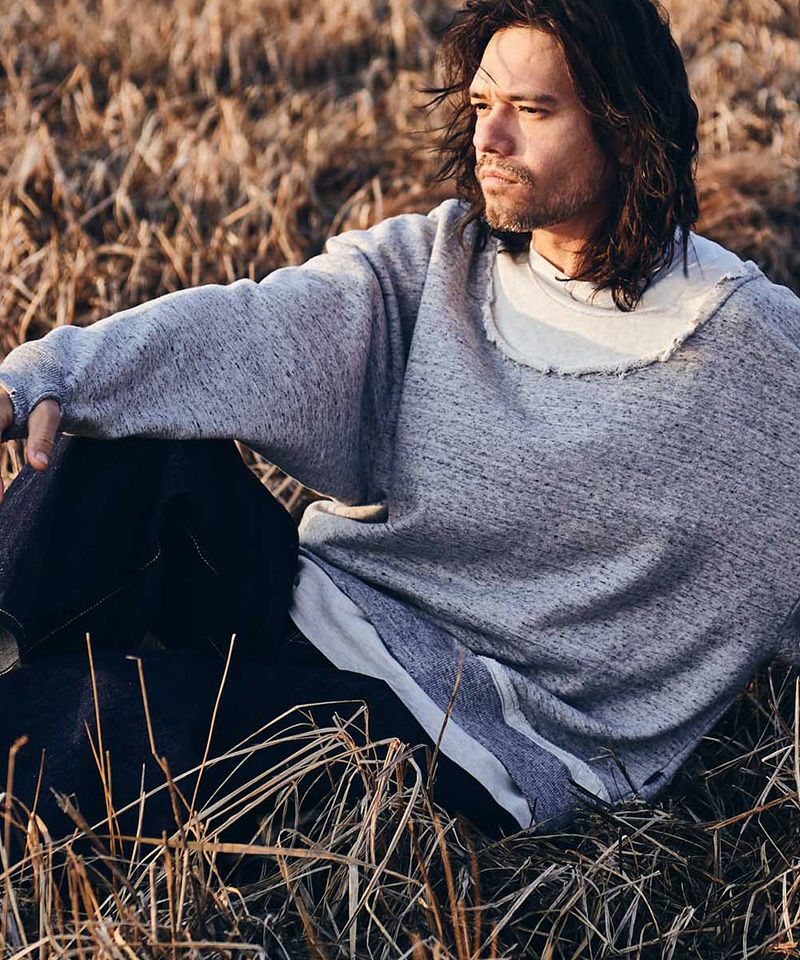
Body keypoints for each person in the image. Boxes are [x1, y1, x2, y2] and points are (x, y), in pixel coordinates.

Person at [0, 0, 799, 843]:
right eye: (483, 105)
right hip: (325, 613)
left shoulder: (753, 349)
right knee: (130, 448)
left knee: (116, 711)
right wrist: (42, 379)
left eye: (531, 111)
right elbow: (257, 325)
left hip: (472, 744)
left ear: (628, 130)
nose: (490, 140)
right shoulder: (441, 261)